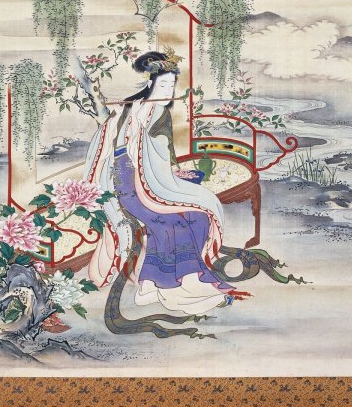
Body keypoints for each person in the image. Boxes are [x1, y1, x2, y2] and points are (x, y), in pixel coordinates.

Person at [83, 50, 243, 315]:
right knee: (170, 223)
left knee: (198, 215)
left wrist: (170, 169)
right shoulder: (129, 110)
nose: (169, 91)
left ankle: (152, 284)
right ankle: (176, 285)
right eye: (164, 85)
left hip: (152, 182)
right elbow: (115, 150)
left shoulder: (160, 113)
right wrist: (132, 132)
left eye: (171, 85)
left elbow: (164, 151)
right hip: (125, 185)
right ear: (151, 83)